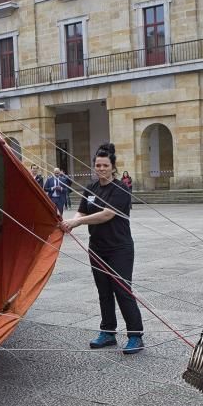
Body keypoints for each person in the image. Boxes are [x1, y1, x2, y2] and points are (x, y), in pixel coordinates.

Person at [60, 143, 144, 355]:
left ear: (113, 167)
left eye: (105, 165)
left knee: (122, 291)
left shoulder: (120, 189)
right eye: (98, 165)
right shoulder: (91, 188)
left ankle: (135, 336)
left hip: (119, 248)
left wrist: (77, 223)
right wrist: (70, 221)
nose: (101, 168)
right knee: (103, 291)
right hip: (97, 248)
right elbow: (80, 211)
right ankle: (107, 332)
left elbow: (107, 214)